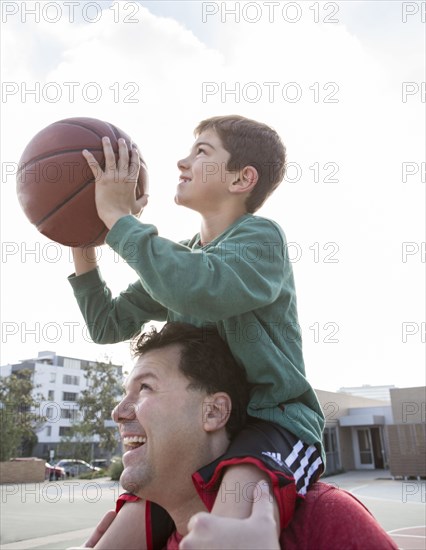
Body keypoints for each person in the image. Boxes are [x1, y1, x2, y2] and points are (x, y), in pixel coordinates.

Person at [68, 115, 325, 542]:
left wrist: (118, 217)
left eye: (201, 152)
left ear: (242, 179)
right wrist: (83, 240)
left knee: (232, 506)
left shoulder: (261, 240)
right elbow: (106, 323)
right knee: (121, 534)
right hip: (200, 428)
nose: (182, 162)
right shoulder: (180, 259)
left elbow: (198, 287)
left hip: (271, 421)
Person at [69, 322, 397, 550]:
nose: (118, 412)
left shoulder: (325, 521)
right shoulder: (139, 537)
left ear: (213, 412)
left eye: (145, 388)